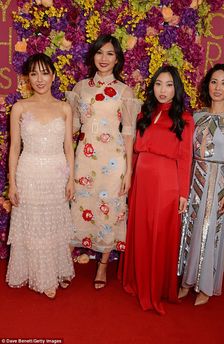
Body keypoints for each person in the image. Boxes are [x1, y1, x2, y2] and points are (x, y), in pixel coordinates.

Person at [66, 34, 140, 289]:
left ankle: (103, 264)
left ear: (117, 58)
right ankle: (65, 262)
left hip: (114, 161)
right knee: (79, 205)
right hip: (84, 160)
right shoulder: (80, 88)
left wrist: (129, 170)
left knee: (111, 208)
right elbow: (71, 129)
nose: (104, 58)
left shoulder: (124, 91)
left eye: (110, 53)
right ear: (93, 56)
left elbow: (128, 132)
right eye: (100, 53)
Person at [122, 65, 194, 315]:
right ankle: (137, 280)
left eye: (169, 85)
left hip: (166, 183)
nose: (163, 90)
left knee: (159, 232)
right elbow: (134, 149)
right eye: (158, 84)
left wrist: (183, 192)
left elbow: (186, 158)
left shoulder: (184, 118)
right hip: (142, 180)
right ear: (152, 87)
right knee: (141, 229)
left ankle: (156, 288)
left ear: (176, 88)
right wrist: (130, 178)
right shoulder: (145, 112)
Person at [6, 53, 75, 298]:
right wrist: (12, 183)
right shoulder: (20, 107)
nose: (39, 79)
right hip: (29, 172)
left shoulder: (64, 107)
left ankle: (52, 271)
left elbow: (69, 147)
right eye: (33, 73)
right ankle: (41, 278)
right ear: (27, 78)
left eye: (44, 72)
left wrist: (71, 178)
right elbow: (14, 148)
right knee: (33, 224)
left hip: (56, 174)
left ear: (53, 75)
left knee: (53, 225)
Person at [178, 64, 224, 306]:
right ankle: (187, 281)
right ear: (207, 84)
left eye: (223, 83)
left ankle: (205, 286)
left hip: (219, 182)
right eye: (214, 81)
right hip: (194, 179)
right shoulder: (196, 116)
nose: (218, 87)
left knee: (210, 231)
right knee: (190, 227)